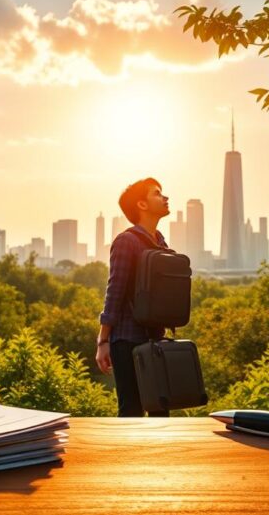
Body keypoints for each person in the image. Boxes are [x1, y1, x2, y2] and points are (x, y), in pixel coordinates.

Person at [95, 177, 171, 417]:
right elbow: (115, 291)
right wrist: (103, 341)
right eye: (157, 193)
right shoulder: (126, 241)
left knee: (161, 410)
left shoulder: (160, 242)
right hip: (127, 340)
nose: (165, 197)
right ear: (142, 205)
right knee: (131, 412)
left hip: (156, 339)